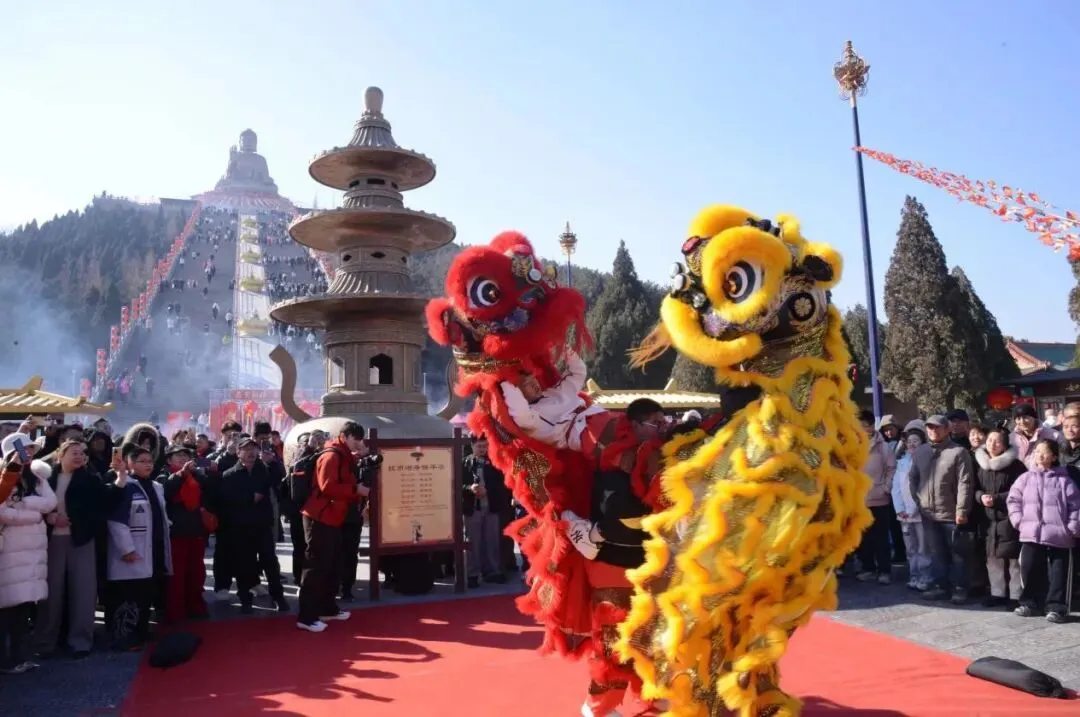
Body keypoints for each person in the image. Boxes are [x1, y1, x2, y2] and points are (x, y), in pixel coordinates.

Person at [36, 439, 111, 659]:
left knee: (84, 592)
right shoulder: (45, 478)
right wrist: (50, 518)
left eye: (82, 453)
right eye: (74, 452)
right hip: (50, 541)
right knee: (50, 593)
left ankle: (81, 642)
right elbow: (34, 504)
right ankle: (45, 642)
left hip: (81, 539)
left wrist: (77, 521)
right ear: (60, 455)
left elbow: (100, 510)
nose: (79, 456)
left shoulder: (90, 479)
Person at [297, 421, 369, 633]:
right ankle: (306, 616)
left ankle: (327, 608)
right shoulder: (332, 455)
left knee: (333, 564)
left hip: (332, 517)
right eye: (356, 439)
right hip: (319, 517)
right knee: (316, 566)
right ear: (345, 436)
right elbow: (327, 486)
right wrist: (356, 489)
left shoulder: (343, 455)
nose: (359, 443)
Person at [105, 447, 172, 650]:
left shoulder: (156, 486)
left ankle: (142, 632)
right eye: (142, 461)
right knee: (128, 597)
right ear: (130, 463)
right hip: (133, 550)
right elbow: (116, 521)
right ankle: (125, 638)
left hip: (154, 548)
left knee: (145, 594)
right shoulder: (125, 486)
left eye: (150, 460)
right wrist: (126, 549)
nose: (148, 464)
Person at [1007, 439, 1080, 623]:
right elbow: (1013, 500)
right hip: (1031, 532)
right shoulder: (1025, 478)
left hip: (1060, 535)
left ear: (1054, 456)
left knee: (1059, 572)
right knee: (1030, 568)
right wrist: (1018, 521)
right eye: (1037, 451)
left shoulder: (1065, 481)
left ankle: (1057, 607)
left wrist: (1072, 527)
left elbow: (1075, 506)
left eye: (1045, 452)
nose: (1040, 455)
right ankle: (1030, 603)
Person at [910, 414, 976, 604]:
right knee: (936, 553)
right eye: (930, 428)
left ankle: (959, 588)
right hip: (929, 514)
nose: (933, 431)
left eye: (937, 427)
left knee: (957, 554)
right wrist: (919, 502)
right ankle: (940, 586)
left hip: (951, 513)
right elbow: (912, 479)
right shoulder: (921, 451)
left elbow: (965, 482)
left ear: (947, 429)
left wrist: (962, 510)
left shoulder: (958, 452)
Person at [0, 454, 56, 674]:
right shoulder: (5, 478)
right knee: (6, 607)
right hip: (11, 549)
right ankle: (5, 660)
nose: (27, 455)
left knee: (23, 606)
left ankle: (19, 656)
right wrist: (34, 514)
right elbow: (2, 512)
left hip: (34, 550)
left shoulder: (37, 476)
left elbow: (50, 503)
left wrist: (23, 504)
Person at [220, 439, 288, 614]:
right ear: (238, 452)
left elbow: (279, 478)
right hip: (241, 527)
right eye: (246, 449)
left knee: (270, 563)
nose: (250, 452)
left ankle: (278, 597)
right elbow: (227, 500)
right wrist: (250, 498)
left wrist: (272, 462)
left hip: (263, 525)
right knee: (244, 565)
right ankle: (245, 599)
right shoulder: (229, 474)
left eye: (253, 448)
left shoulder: (264, 470)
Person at [500, 351, 610, 453]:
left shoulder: (553, 392)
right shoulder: (532, 417)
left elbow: (578, 372)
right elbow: (521, 413)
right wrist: (505, 380)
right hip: (583, 433)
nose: (535, 384)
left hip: (600, 414)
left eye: (534, 379)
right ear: (517, 391)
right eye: (527, 384)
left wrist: (564, 349)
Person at [974, 428, 1026, 608]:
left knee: (1013, 559)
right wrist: (980, 496)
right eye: (989, 440)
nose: (992, 444)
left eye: (997, 441)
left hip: (1009, 518)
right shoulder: (980, 465)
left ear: (1005, 445)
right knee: (992, 558)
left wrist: (998, 499)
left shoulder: (1016, 466)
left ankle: (1015, 595)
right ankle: (997, 593)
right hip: (988, 519)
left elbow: (1020, 490)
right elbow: (973, 488)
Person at [160, 445, 213, 622]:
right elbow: (166, 491)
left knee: (196, 574)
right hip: (176, 533)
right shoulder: (164, 475)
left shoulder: (196, 475)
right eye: (178, 455)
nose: (183, 458)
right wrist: (181, 474)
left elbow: (209, 488)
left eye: (186, 455)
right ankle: (176, 612)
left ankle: (196, 606)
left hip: (196, 531)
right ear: (169, 460)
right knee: (176, 576)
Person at [462, 434, 510, 588]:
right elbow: (457, 484)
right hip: (472, 508)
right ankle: (472, 574)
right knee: (472, 542)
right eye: (479, 446)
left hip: (491, 507)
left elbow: (503, 485)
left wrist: (488, 490)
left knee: (492, 541)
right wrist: (470, 488)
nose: (482, 449)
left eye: (485, 446)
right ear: (472, 446)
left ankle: (493, 571)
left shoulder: (495, 463)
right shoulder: (465, 463)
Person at [856, 410, 897, 584]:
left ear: (872, 426)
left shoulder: (882, 446)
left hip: (879, 499)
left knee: (881, 537)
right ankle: (868, 568)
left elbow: (892, 469)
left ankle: (884, 571)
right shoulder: (852, 444)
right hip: (858, 500)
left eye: (864, 425)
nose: (861, 429)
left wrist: (885, 488)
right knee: (863, 538)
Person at [892, 420, 930, 590]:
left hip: (919, 512)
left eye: (916, 440)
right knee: (911, 548)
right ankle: (914, 576)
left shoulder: (926, 460)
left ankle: (925, 577)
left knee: (924, 548)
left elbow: (923, 487)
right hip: (904, 515)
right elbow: (896, 488)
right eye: (909, 441)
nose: (912, 444)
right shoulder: (901, 462)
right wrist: (899, 509)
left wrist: (913, 509)